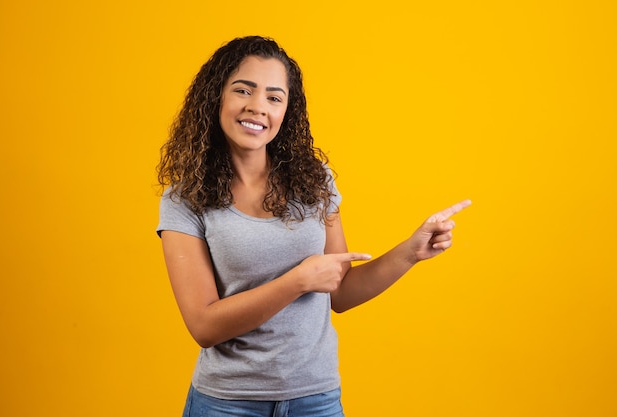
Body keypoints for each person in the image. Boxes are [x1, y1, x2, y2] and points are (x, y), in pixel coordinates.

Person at [156, 35, 470, 417]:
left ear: (287, 111)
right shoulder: (184, 198)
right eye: (243, 90)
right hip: (226, 403)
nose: (257, 107)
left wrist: (410, 252)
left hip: (315, 400)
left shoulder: (313, 180)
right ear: (215, 98)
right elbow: (203, 325)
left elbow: (341, 292)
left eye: (274, 97)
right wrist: (298, 281)